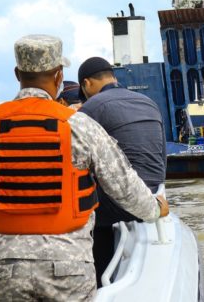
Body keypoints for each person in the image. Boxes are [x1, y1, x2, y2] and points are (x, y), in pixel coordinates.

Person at [0, 34, 169, 301]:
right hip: (70, 270)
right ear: (58, 76)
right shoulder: (80, 125)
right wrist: (154, 208)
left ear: (17, 73)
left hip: (8, 269)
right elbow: (123, 185)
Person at [76, 56, 167, 286]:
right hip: (155, 192)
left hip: (126, 202)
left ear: (87, 84)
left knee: (83, 207)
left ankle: (96, 281)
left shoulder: (92, 107)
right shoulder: (148, 101)